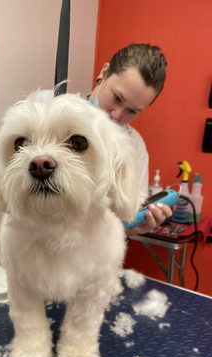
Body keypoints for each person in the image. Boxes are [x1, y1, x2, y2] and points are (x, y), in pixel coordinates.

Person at [87, 43, 172, 236]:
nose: (117, 115)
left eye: (132, 111)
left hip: (95, 256)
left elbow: (125, 218)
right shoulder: (50, 109)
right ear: (104, 72)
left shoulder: (135, 147)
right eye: (117, 98)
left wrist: (137, 227)